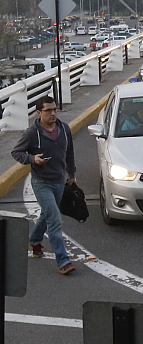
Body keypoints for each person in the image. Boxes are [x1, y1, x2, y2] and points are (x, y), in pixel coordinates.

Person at [11, 96, 77, 275]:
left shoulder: (64, 128)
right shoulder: (32, 133)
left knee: (46, 214)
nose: (53, 113)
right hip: (41, 182)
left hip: (59, 181)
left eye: (54, 109)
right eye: (48, 110)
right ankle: (63, 261)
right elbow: (16, 152)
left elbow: (69, 152)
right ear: (39, 112)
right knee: (54, 219)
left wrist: (71, 174)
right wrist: (33, 159)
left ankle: (34, 240)